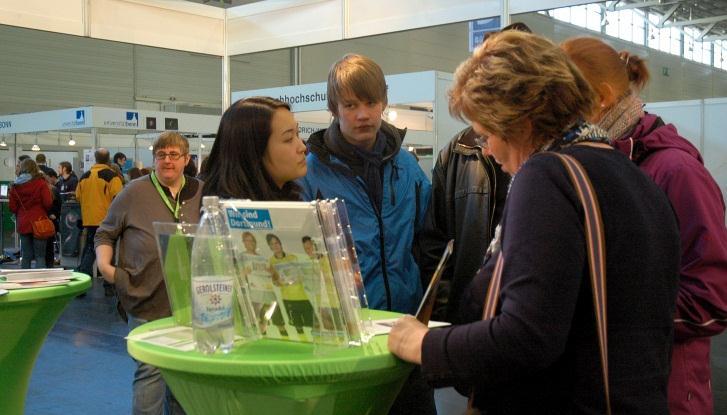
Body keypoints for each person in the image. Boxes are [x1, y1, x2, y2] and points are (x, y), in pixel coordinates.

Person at [387, 31, 681, 414]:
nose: (488, 151)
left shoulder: (548, 175)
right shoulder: (632, 175)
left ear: (520, 122)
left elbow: (527, 336)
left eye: (487, 134)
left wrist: (421, 344)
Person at [561, 36, 727, 415]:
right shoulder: (590, 165)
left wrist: (607, 314)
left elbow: (712, 300)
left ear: (601, 98)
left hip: (666, 390)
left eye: (565, 100)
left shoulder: (677, 171)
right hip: (604, 385)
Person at [297, 53, 433, 415]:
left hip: (406, 331)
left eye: (371, 102)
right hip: (345, 338)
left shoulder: (408, 169)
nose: (363, 114)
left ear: (384, 102)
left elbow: (428, 243)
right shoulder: (310, 174)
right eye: (350, 104)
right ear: (333, 107)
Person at [96, 132, 202, 415]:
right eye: (162, 155)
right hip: (144, 298)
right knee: (150, 373)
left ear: (186, 160)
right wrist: (108, 270)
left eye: (174, 155)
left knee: (183, 375)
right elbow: (105, 234)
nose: (168, 161)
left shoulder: (200, 192)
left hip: (189, 303)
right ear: (154, 159)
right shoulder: (133, 192)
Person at [201, 96, 308, 335]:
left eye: (298, 135)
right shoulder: (219, 220)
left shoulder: (293, 203)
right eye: (288, 138)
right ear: (254, 152)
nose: (301, 146)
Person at [75, 148, 123, 290]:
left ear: (95, 158)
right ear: (108, 159)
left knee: (90, 249)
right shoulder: (112, 176)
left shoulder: (84, 176)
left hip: (89, 219)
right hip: (107, 220)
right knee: (109, 250)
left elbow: (78, 196)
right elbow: (119, 198)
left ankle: (82, 282)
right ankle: (109, 284)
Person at [266, 233, 316, 336]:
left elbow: (303, 273)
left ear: (280, 244)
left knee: (312, 324)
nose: (275, 246)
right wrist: (277, 281)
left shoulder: (293, 257)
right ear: (270, 247)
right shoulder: (270, 262)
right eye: (272, 244)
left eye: (277, 243)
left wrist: (301, 277)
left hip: (303, 296)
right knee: (298, 326)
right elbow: (275, 282)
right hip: (288, 298)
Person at [240, 231, 288, 337]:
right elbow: (235, 276)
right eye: (248, 240)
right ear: (243, 242)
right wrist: (243, 273)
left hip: (268, 292)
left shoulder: (263, 258)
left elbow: (276, 277)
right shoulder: (241, 257)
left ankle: (265, 331)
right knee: (252, 320)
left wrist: (272, 273)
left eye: (252, 240)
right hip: (253, 293)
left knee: (267, 317)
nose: (251, 243)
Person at [9, 159, 53, 268]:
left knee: (26, 256)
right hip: (39, 222)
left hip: (23, 223)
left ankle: (26, 282)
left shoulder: (15, 186)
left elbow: (12, 207)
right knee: (40, 256)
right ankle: (41, 283)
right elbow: (48, 203)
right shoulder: (41, 183)